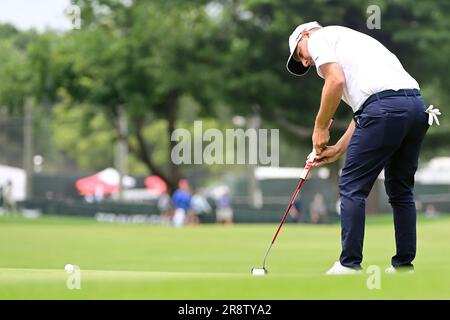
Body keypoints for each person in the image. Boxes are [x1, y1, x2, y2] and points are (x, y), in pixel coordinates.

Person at [285, 22, 440, 274]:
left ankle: (349, 264)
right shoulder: (353, 41)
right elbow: (368, 109)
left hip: (387, 109)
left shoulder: (318, 38)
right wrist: (338, 148)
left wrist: (320, 127)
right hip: (416, 107)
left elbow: (335, 82)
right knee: (400, 190)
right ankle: (403, 266)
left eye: (299, 55)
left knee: (351, 185)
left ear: (304, 35)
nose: (304, 62)